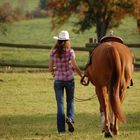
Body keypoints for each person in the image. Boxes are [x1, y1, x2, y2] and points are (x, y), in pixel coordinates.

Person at [48, 30, 83, 133]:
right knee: (70, 101)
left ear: (58, 41)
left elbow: (50, 69)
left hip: (58, 80)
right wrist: (82, 75)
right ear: (68, 41)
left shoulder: (53, 53)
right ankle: (70, 118)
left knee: (60, 104)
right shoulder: (70, 51)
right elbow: (75, 66)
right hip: (69, 80)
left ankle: (61, 130)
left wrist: (56, 68)